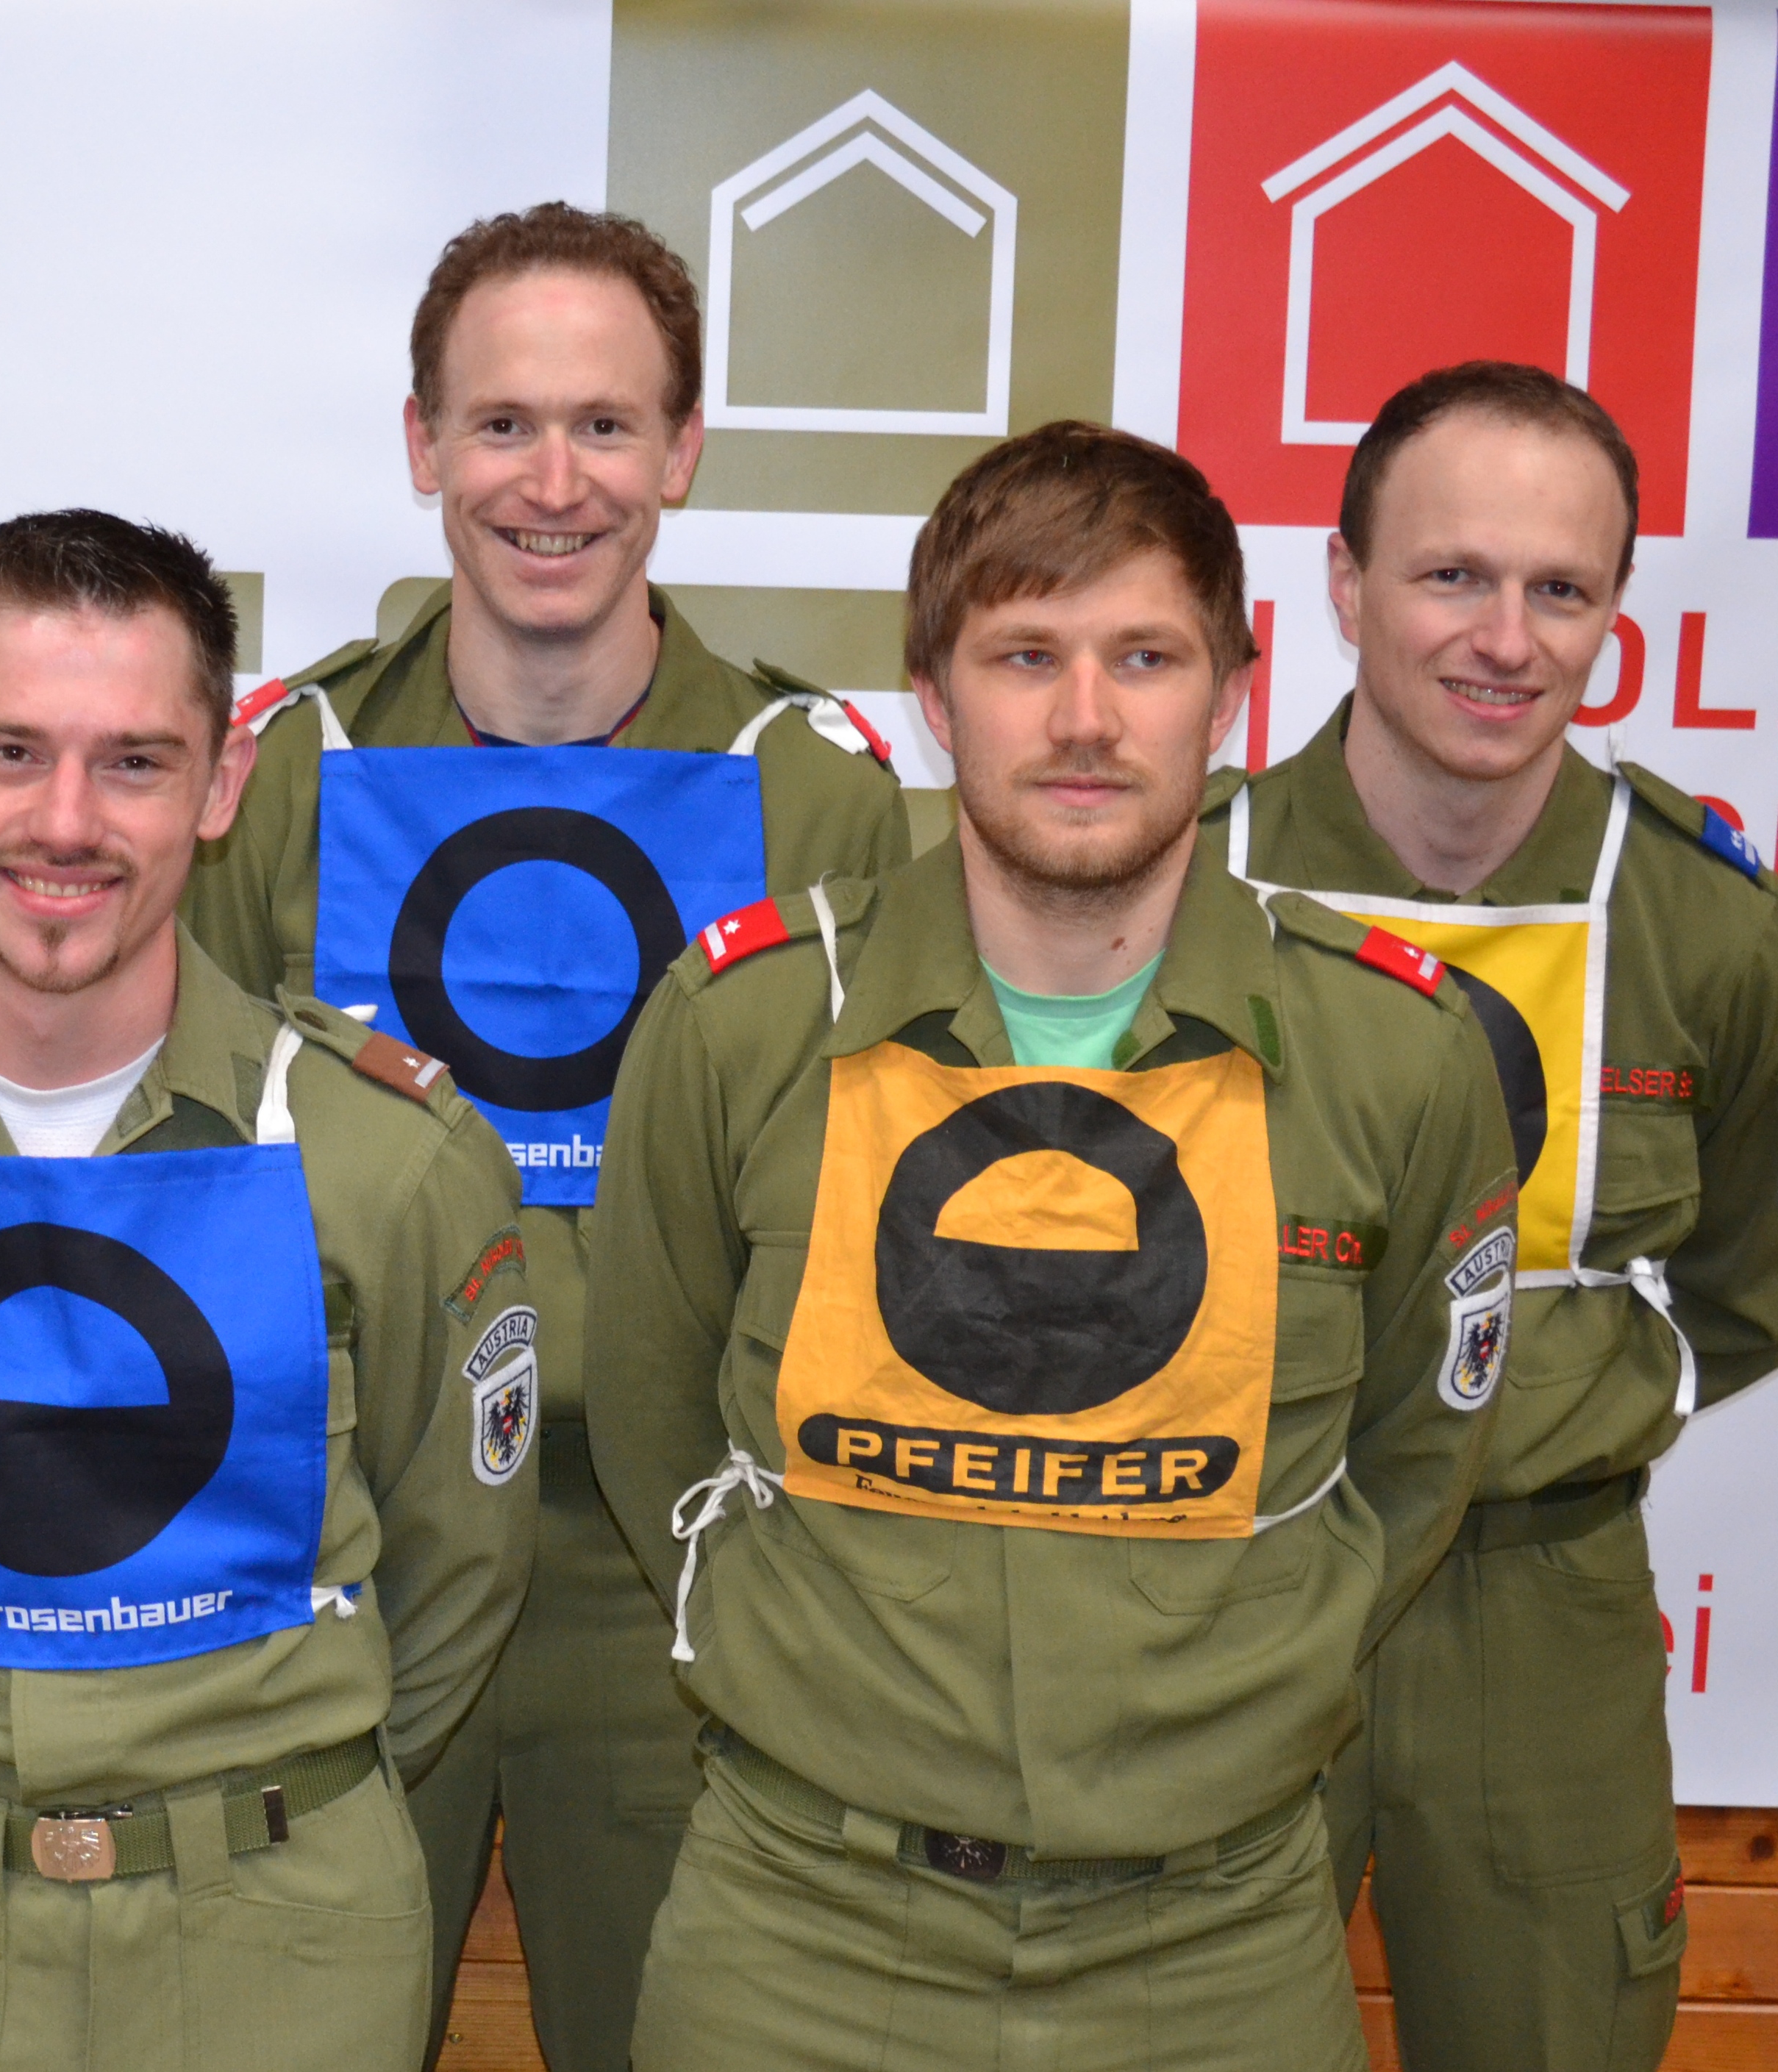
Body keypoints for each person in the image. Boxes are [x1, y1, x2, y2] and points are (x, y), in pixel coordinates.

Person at [587, 422, 1523, 2071]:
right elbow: (654, 1417)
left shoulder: (1396, 1053)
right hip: (798, 1932)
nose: (1085, 719)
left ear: (1227, 695)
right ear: (933, 700)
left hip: (1218, 1950)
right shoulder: (743, 1025)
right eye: (1025, 656)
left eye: (1143, 657)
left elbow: (1408, 1460)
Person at [182, 201, 907, 2071]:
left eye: (604, 424)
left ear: (682, 450)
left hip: (660, 1561)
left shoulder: (808, 786)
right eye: (501, 423)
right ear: (420, 444)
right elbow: (178, 1169)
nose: (553, 480)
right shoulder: (284, 765)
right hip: (342, 1543)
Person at [0, 508, 536, 2071]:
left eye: (134, 762)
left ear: (221, 783)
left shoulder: (386, 1155)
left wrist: (253, 1809)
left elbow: (454, 1568)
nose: (64, 821)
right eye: (8, 751)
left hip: (284, 1948)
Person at [1221, 360, 1778, 2071]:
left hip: (1540, 1599)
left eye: (1558, 589)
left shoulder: (1705, 922)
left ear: (1610, 613)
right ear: (1342, 583)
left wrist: (1559, 1397)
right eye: (1450, 575)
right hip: (1222, 1588)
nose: (1504, 639)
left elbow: (1769, 1272)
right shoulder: (1179, 880)